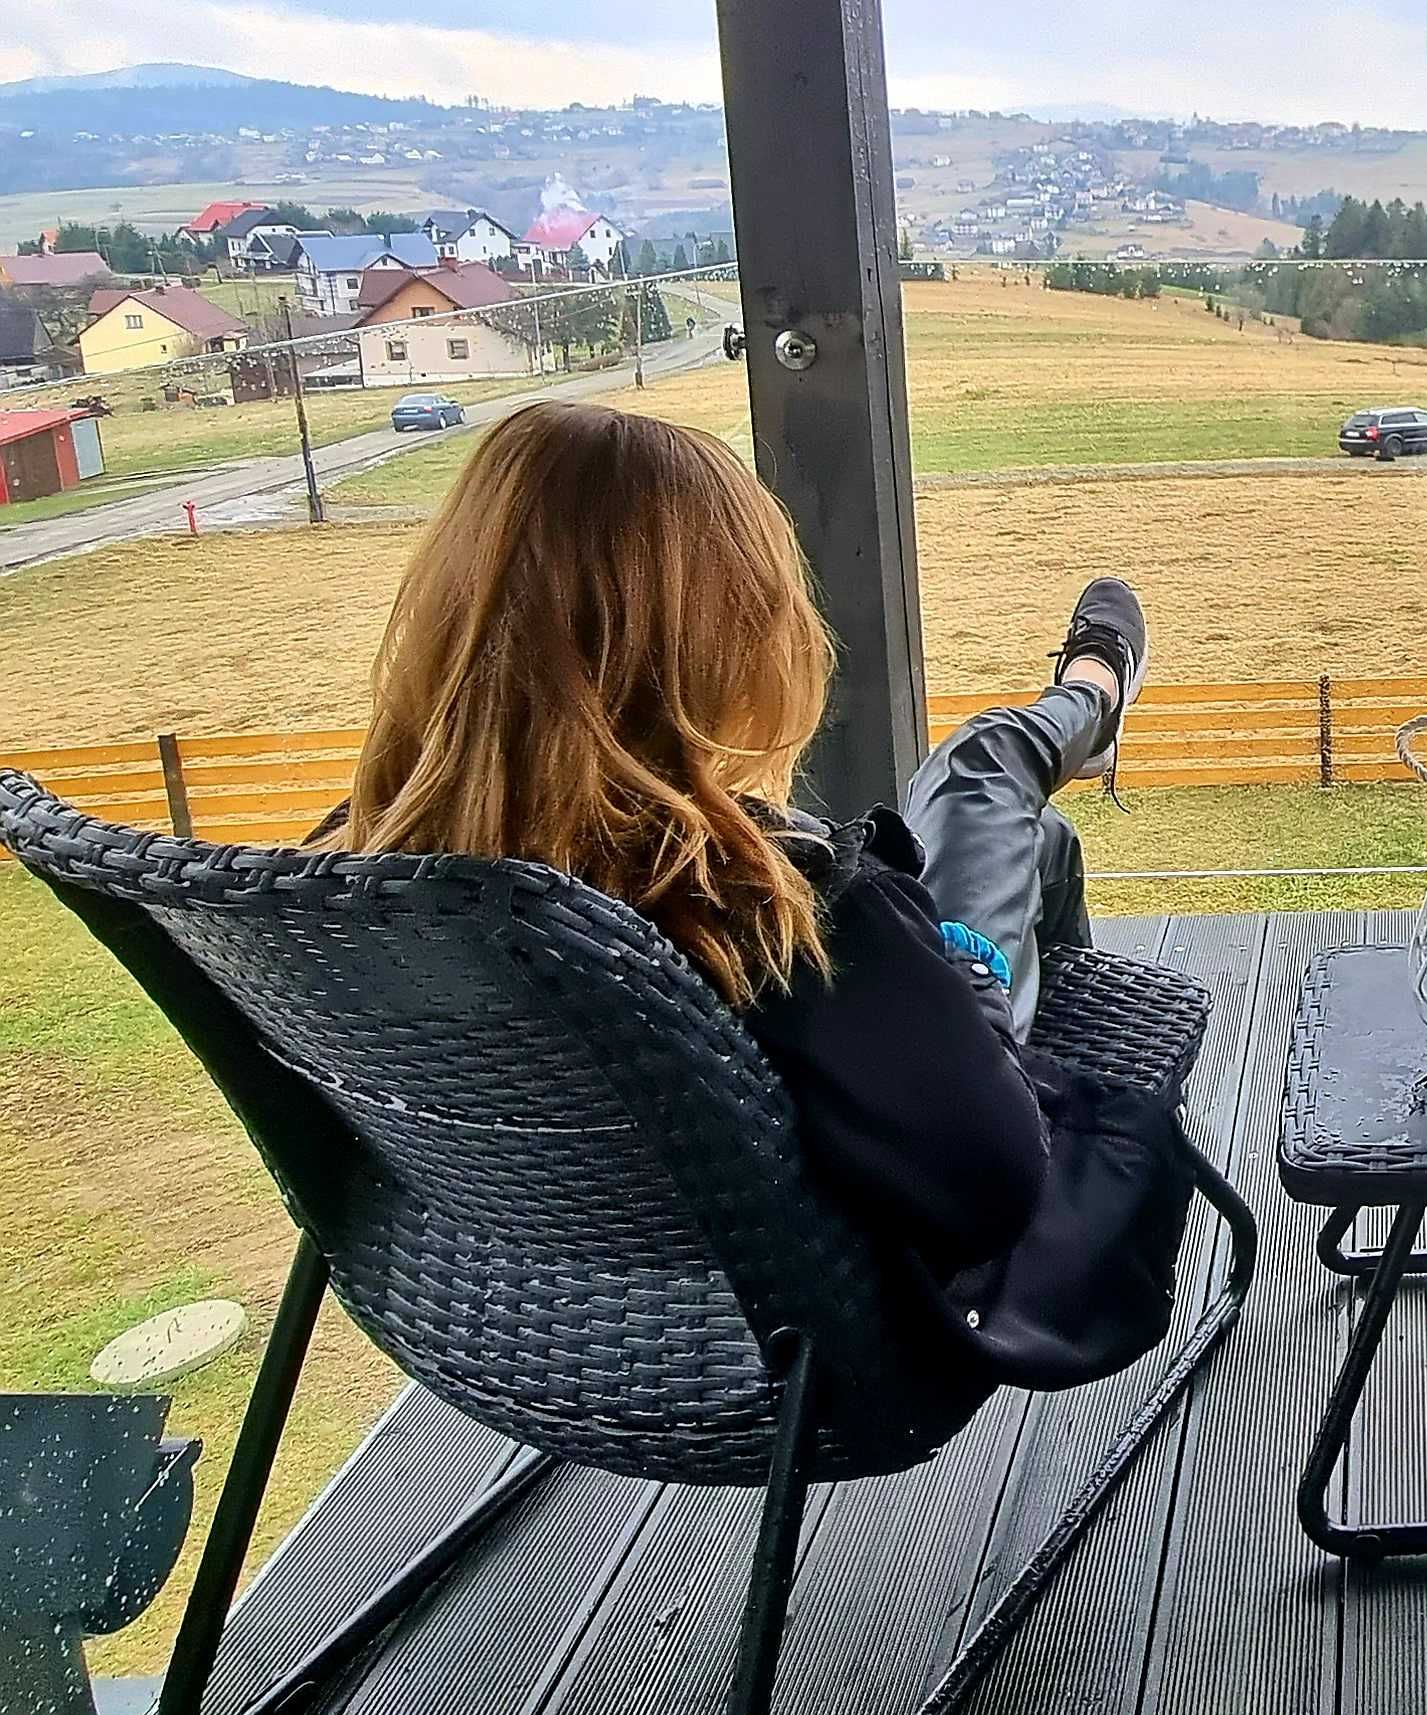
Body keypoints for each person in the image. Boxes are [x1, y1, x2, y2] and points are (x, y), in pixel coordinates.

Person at [329, 398, 1171, 1387]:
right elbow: (996, 1180)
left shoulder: (354, 885)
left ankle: (1084, 699)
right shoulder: (769, 904)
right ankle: (1092, 696)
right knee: (988, 775)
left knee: (1021, 819)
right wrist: (960, 978)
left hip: (554, 1307)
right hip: (875, 1297)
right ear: (728, 635)